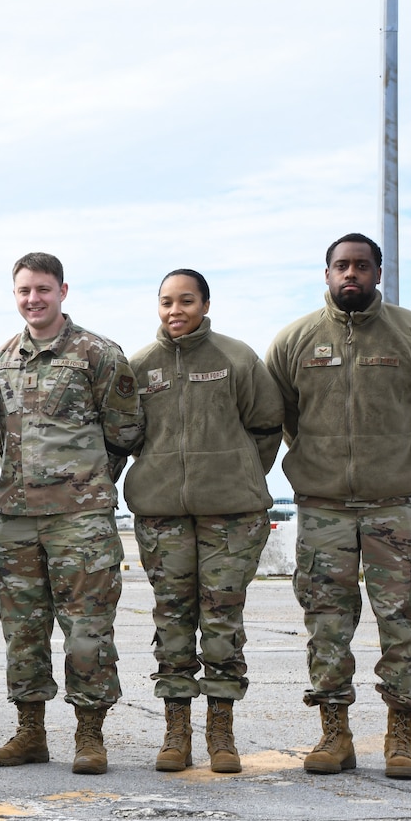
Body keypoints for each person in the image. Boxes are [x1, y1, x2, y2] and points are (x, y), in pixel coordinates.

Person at [266, 234, 411, 779]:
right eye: (340, 266)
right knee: (326, 623)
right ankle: (334, 736)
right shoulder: (296, 339)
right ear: (326, 274)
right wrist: (312, 460)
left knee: (404, 620)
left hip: (395, 506)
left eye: (360, 265)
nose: (349, 273)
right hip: (323, 506)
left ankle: (403, 737)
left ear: (379, 271)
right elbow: (278, 411)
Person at [0, 252, 142, 774]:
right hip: (17, 518)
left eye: (43, 290)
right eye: (25, 290)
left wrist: (88, 484)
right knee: (21, 628)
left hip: (80, 519)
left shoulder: (98, 355)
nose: (34, 299)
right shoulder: (0, 361)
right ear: (15, 295)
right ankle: (30, 732)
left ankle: (89, 736)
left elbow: (125, 432)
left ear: (62, 291)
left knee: (87, 629)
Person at [123, 271, 284, 773]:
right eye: (167, 302)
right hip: (161, 515)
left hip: (232, 515)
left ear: (205, 303)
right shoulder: (139, 367)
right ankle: (176, 730)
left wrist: (234, 474)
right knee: (172, 621)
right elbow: (125, 434)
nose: (176, 311)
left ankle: (221, 730)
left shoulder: (236, 358)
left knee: (221, 621)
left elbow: (265, 426)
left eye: (186, 301)